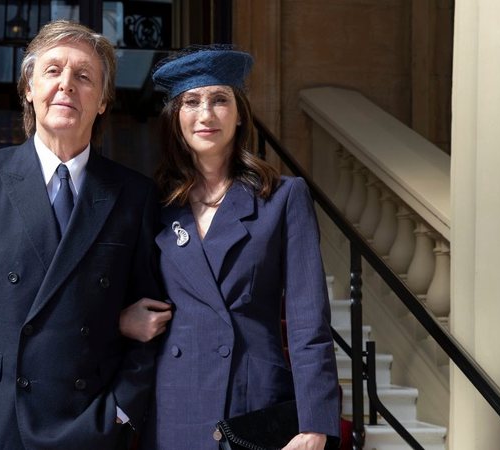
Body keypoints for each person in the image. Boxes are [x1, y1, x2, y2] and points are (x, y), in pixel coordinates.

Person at [0, 20, 163, 450]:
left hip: (93, 426)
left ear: (102, 101)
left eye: (84, 76)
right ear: (28, 88)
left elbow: (154, 318)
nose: (66, 85)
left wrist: (122, 410)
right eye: (52, 71)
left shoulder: (134, 195)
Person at [120, 46, 340, 450]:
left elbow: (309, 321)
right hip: (173, 403)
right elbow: (114, 290)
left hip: (251, 401)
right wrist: (121, 320)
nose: (205, 114)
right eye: (192, 102)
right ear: (176, 119)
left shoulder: (282, 198)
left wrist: (315, 423)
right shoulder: (153, 205)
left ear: (240, 115)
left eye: (219, 100)